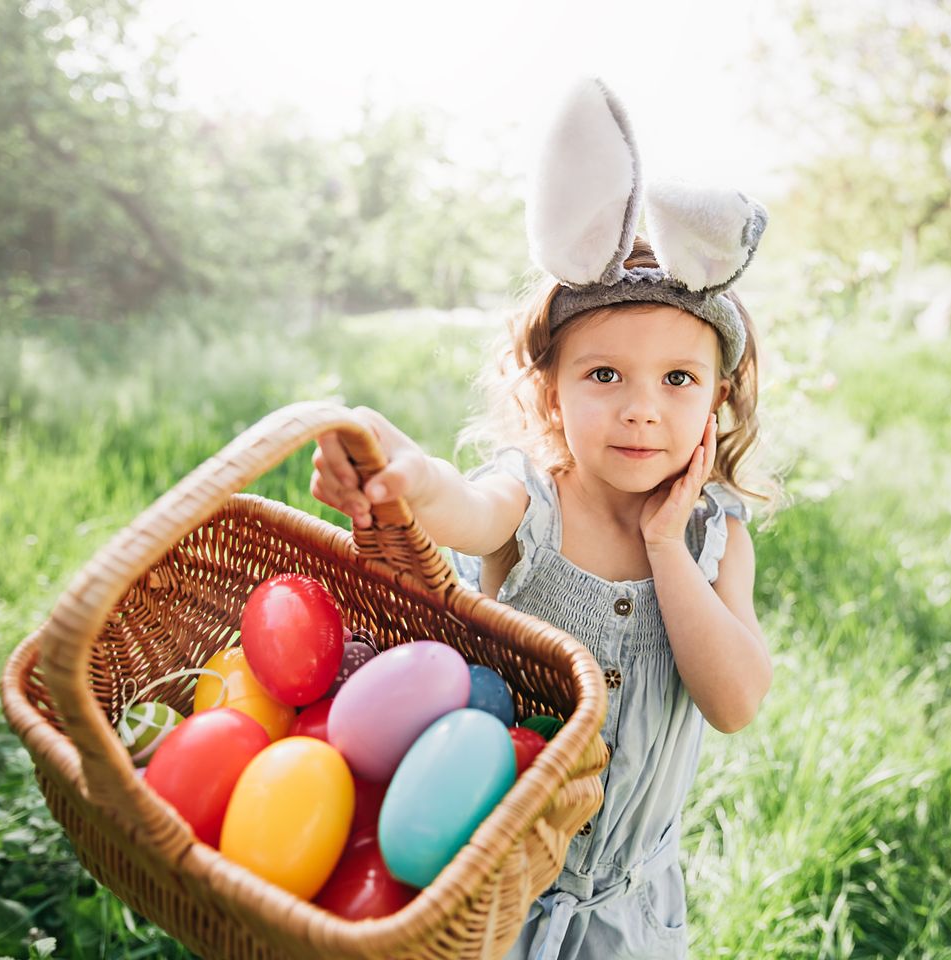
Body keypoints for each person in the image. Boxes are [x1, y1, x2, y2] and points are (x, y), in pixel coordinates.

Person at [310, 78, 773, 959]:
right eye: (605, 376)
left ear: (719, 398)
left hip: (631, 912)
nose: (643, 409)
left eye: (677, 380)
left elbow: (736, 699)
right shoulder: (534, 496)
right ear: (551, 394)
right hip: (492, 894)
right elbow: (463, 507)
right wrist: (410, 475)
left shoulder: (717, 538)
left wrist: (667, 547)